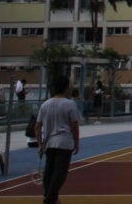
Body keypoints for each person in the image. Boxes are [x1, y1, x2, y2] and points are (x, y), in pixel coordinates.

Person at [35, 75, 81, 204]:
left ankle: (49, 195)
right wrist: (76, 143)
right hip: (64, 142)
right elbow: (74, 125)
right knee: (60, 172)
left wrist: (39, 144)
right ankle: (51, 197)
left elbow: (37, 126)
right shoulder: (70, 104)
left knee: (49, 170)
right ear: (66, 88)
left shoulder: (45, 105)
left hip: (49, 142)